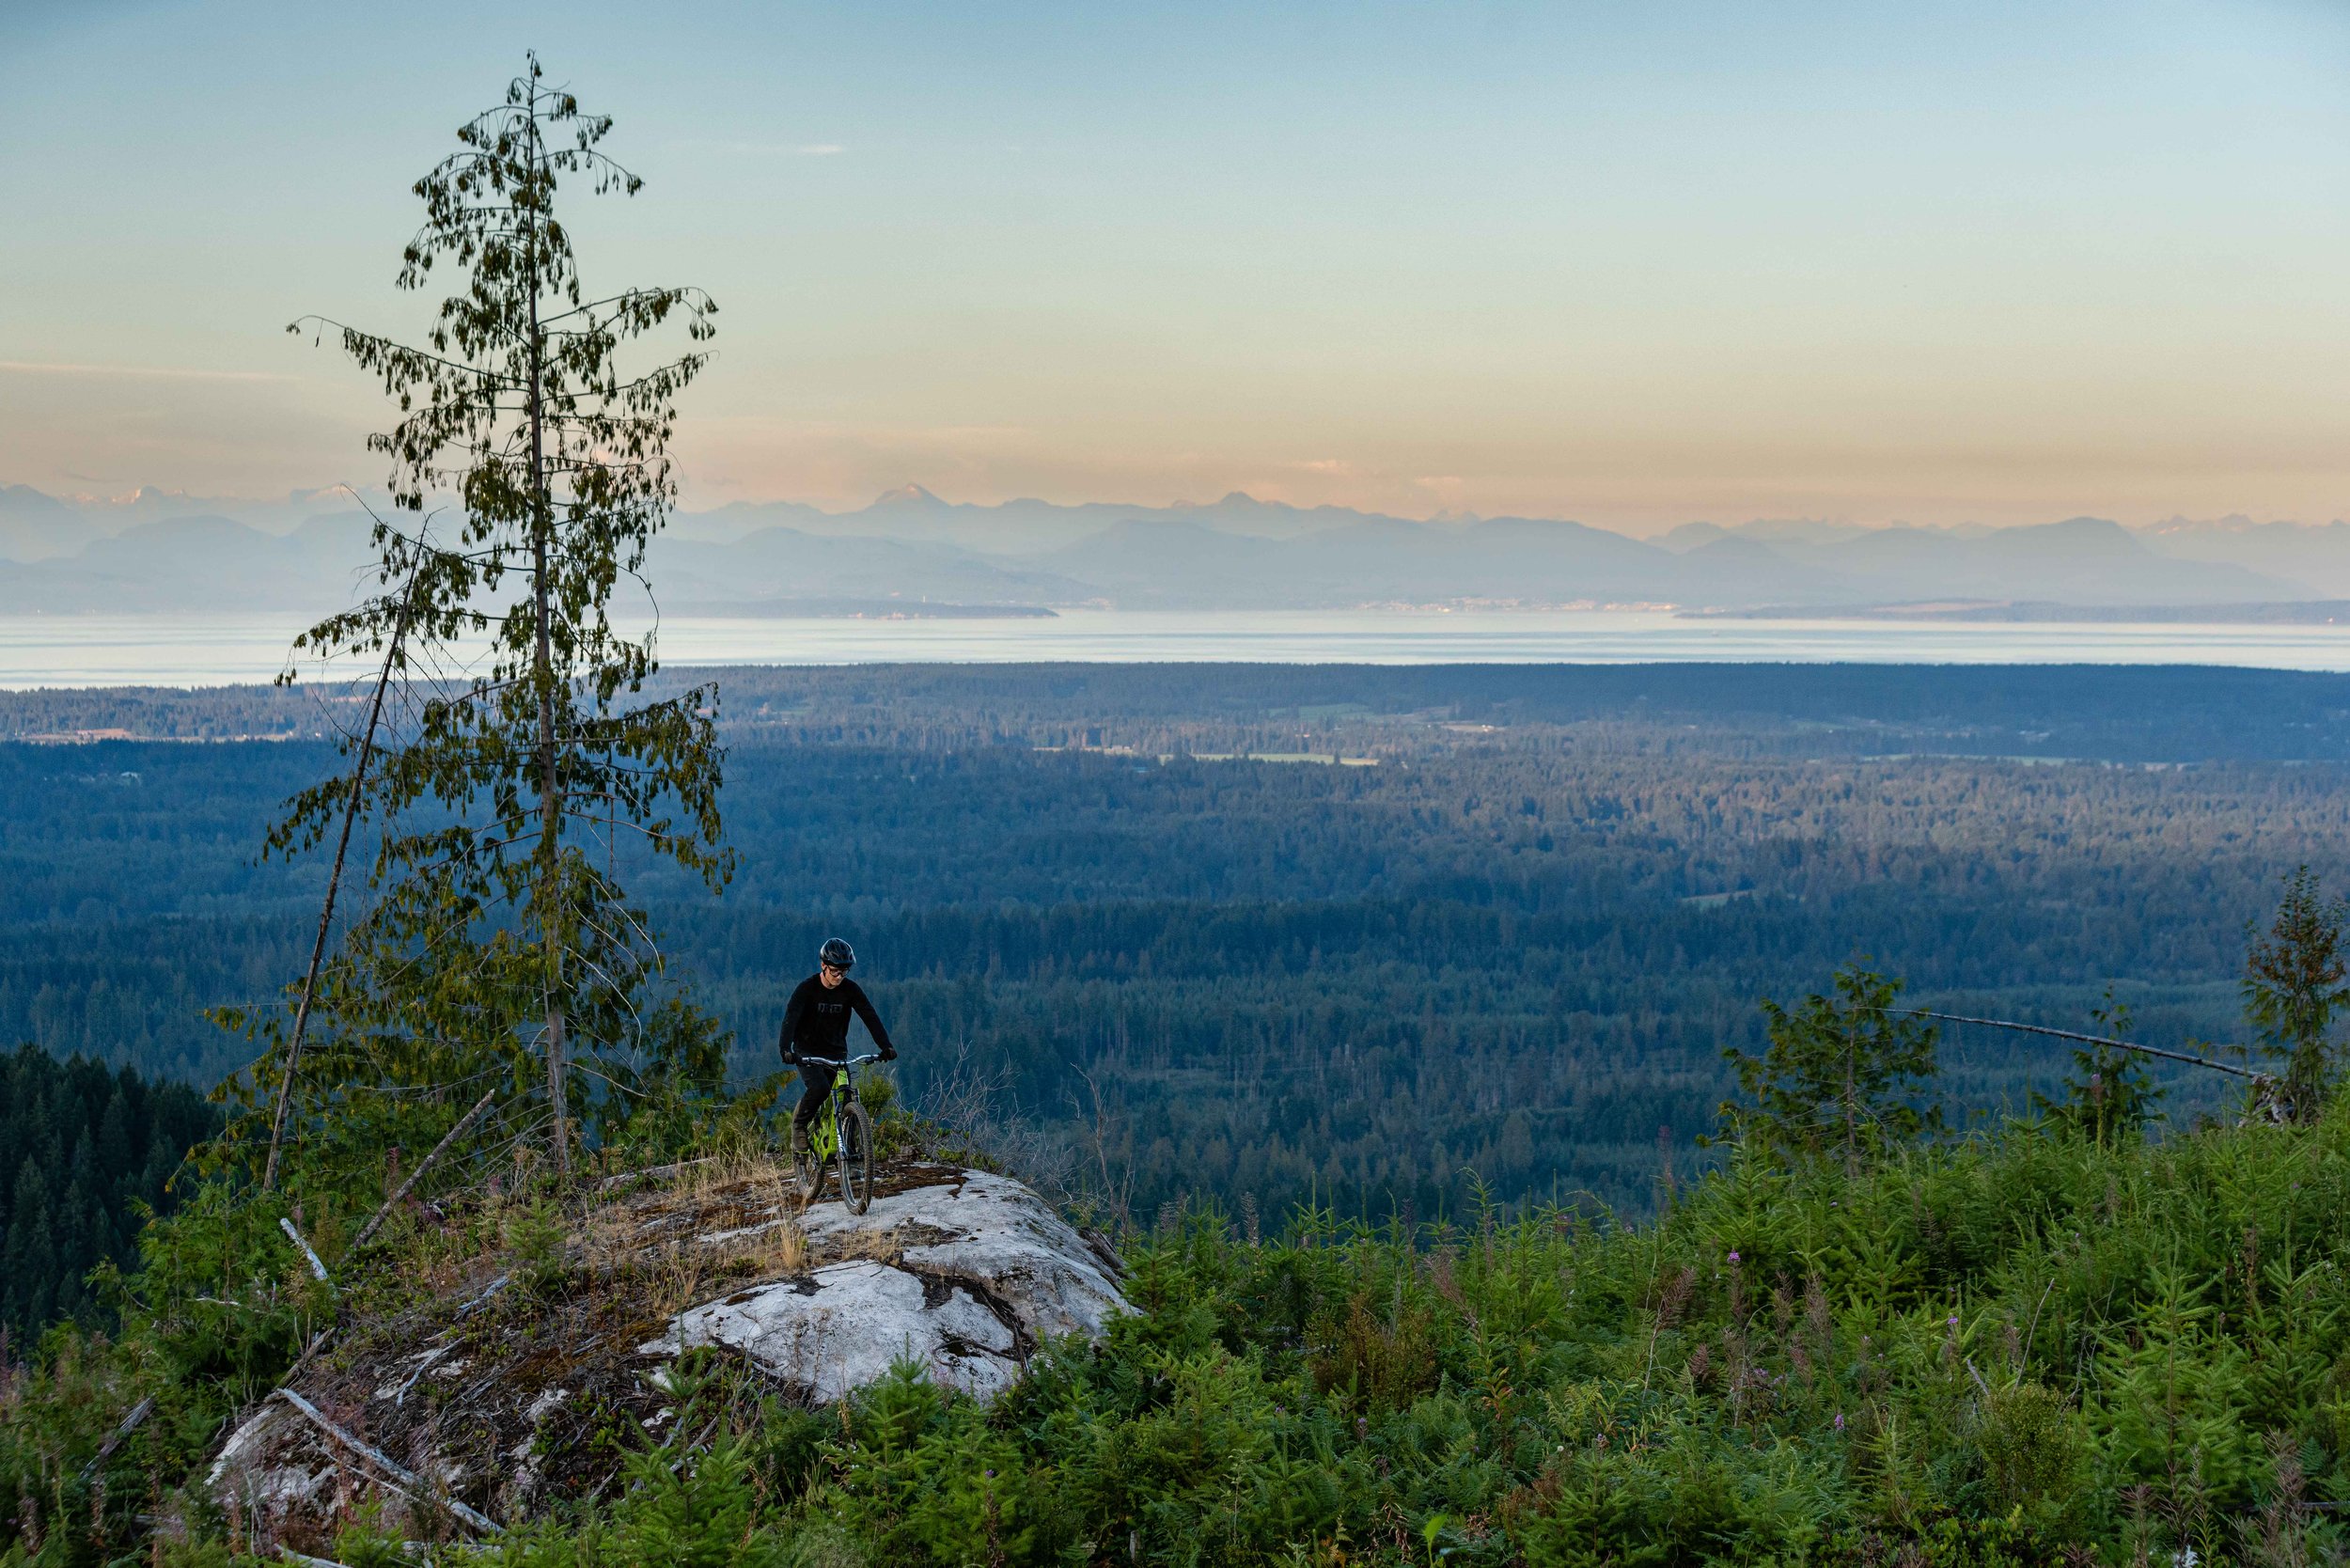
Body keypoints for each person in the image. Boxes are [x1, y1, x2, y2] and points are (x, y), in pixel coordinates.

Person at [778, 937, 897, 1166]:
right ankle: (799, 1126)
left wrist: (885, 1045)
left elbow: (869, 1015)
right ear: (823, 965)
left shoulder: (850, 990)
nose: (840, 976)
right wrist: (785, 1048)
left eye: (844, 971)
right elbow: (790, 1017)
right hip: (807, 1051)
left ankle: (848, 1159)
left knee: (844, 1096)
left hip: (836, 1051)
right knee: (820, 1088)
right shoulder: (807, 989)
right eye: (835, 971)